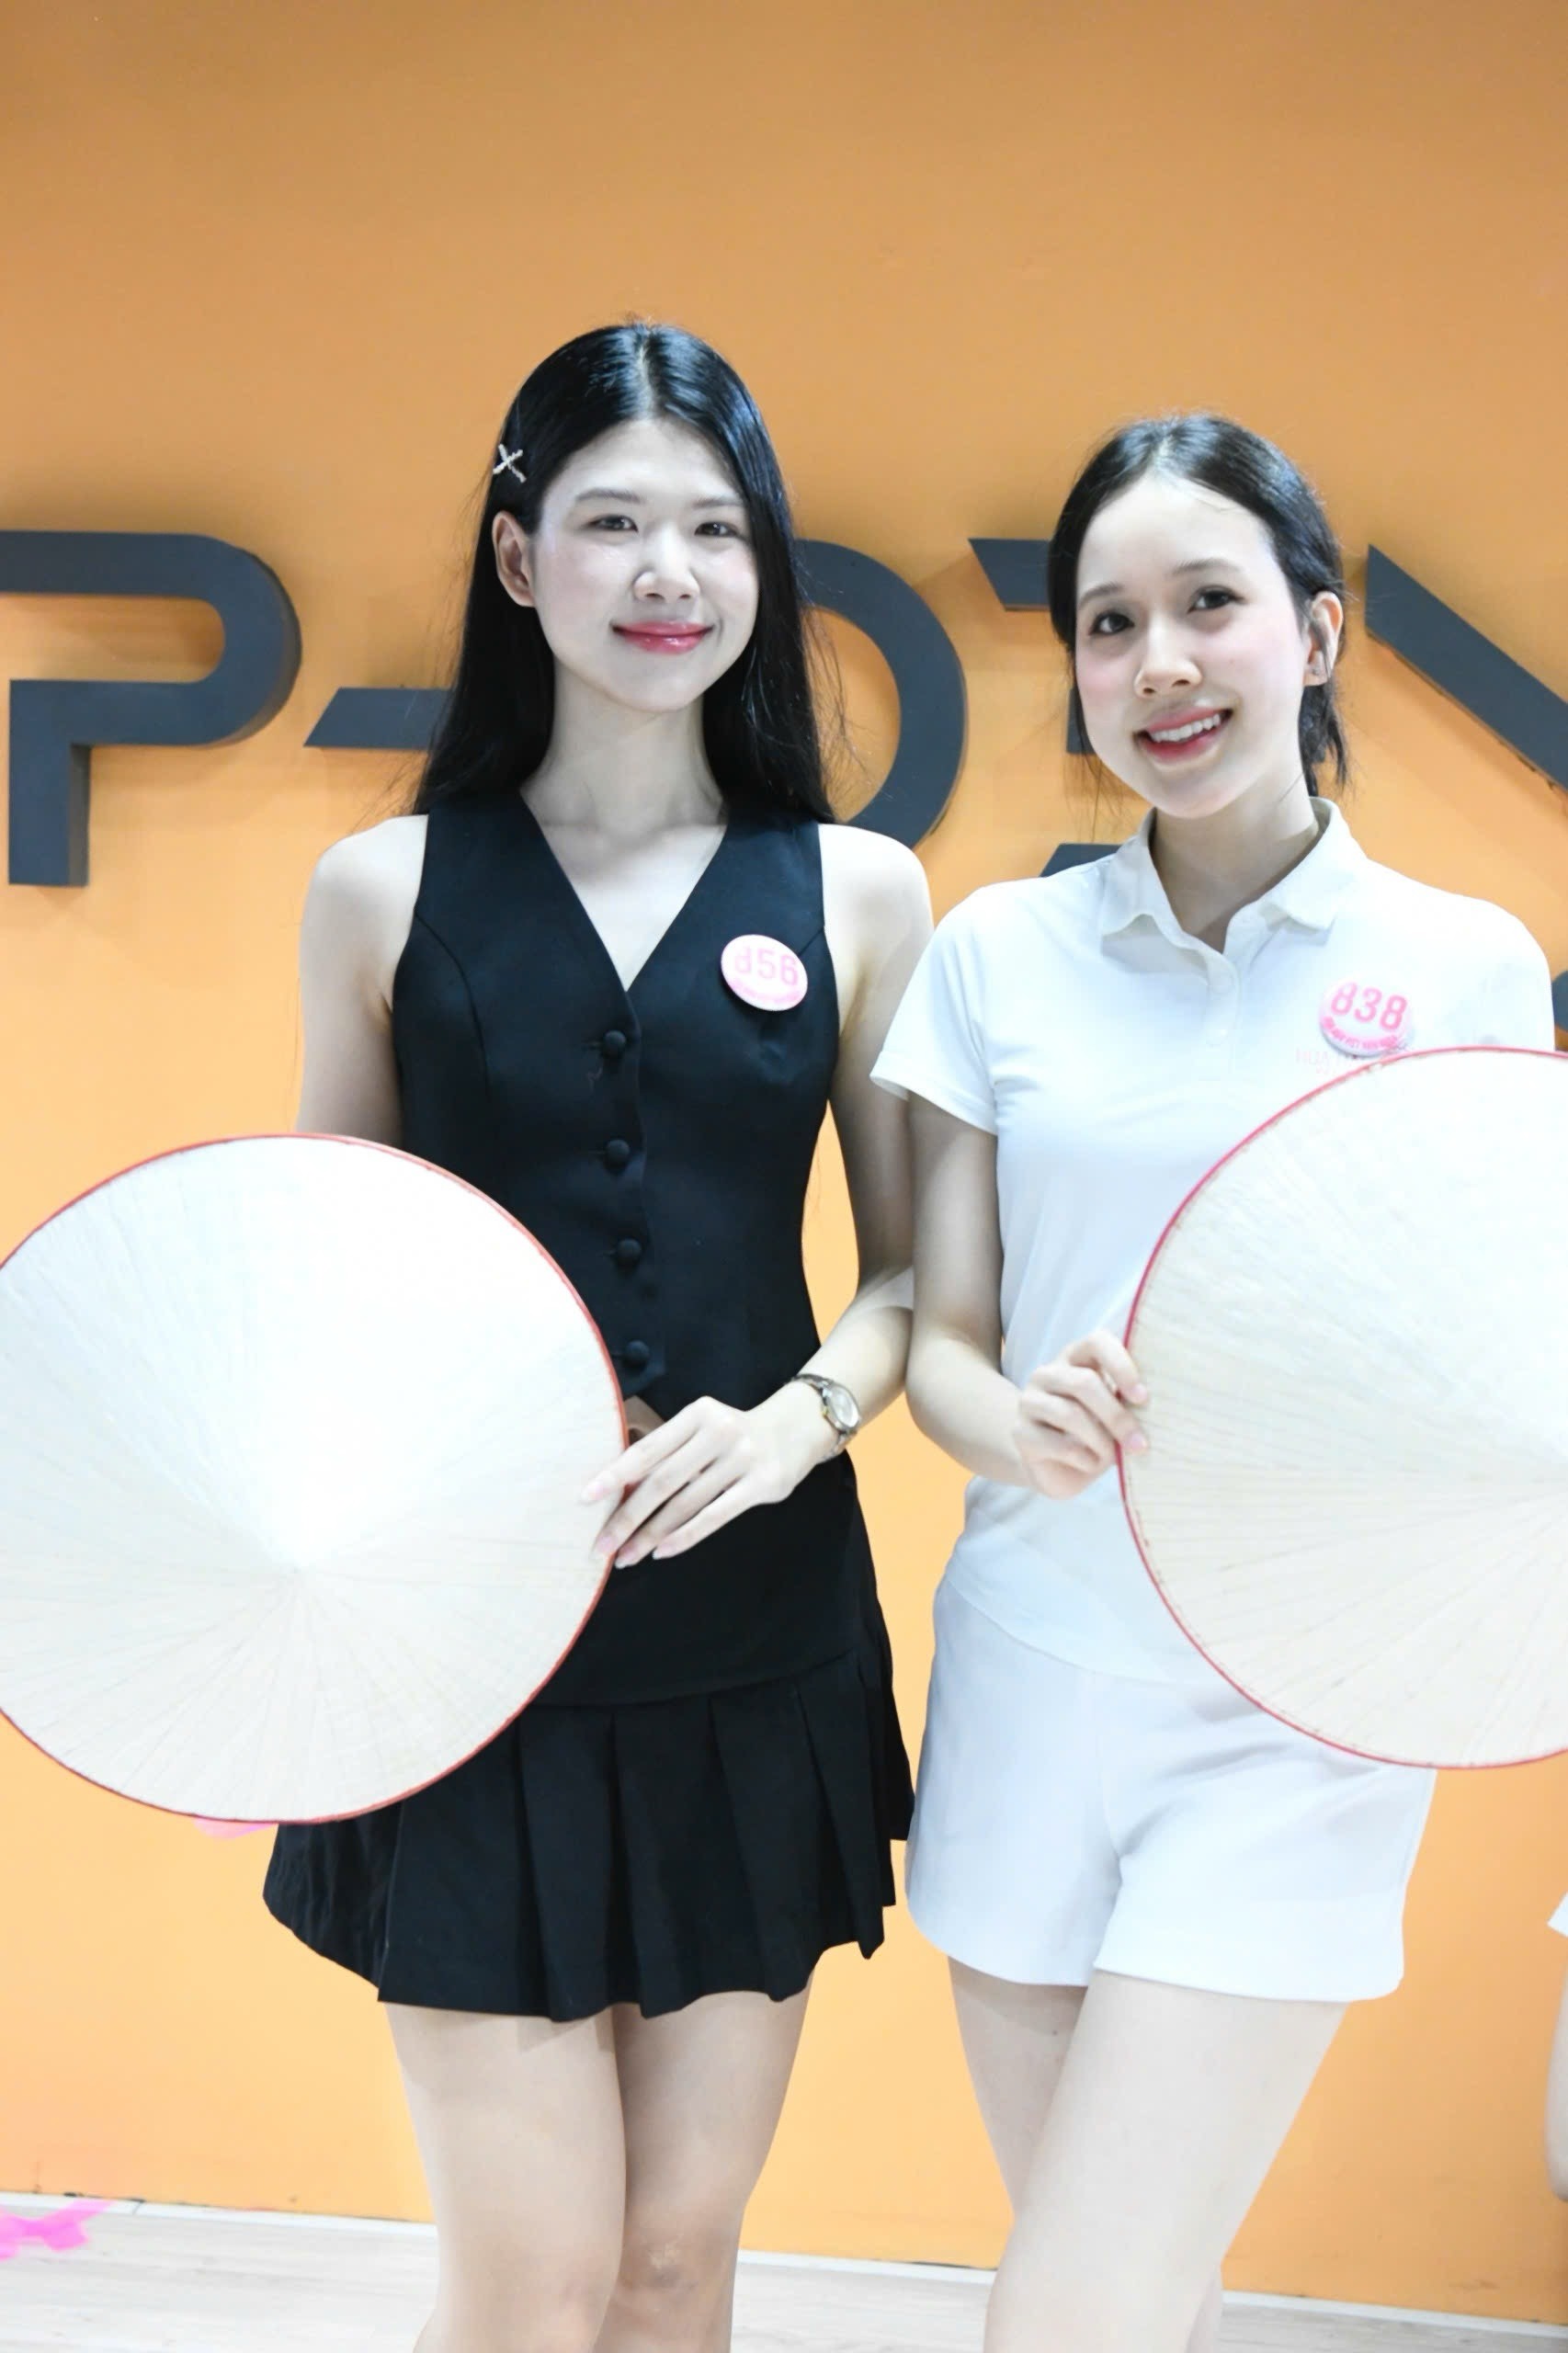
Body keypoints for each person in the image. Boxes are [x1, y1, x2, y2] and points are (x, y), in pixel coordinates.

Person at [264, 321, 929, 2353]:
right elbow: (338, 1262)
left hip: (755, 1637)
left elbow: (914, 1279)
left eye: (714, 528)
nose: (668, 572)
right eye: (613, 520)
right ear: (516, 553)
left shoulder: (857, 889)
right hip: (474, 1647)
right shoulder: (380, 888)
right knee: (530, 2282)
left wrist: (793, 1422)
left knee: (670, 2264)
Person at [871, 413, 1555, 2353]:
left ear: (1315, 632)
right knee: (1127, 2299)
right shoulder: (997, 952)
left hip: (1296, 1716)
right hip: (1029, 1672)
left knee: (1070, 2314)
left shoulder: (1460, 967)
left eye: (1206, 605)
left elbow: (1495, 1349)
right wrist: (1017, 1423)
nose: (1157, 662)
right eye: (1108, 623)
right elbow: (943, 1338)